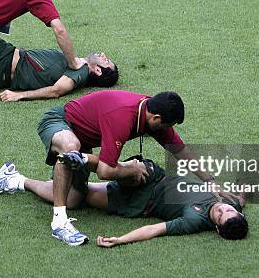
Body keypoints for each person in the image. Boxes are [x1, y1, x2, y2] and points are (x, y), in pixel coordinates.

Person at [34, 90, 237, 246]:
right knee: (70, 149)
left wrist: (210, 181)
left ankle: (14, 179)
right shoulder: (122, 117)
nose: (168, 131)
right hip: (60, 122)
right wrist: (130, 169)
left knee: (73, 199)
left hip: (83, 140)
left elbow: (180, 151)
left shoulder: (152, 113)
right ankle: (59, 223)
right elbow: (105, 171)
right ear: (156, 118)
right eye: (167, 126)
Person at [0, 157, 248, 246]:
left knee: (75, 198)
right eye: (226, 210)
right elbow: (241, 197)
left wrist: (121, 239)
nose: (221, 208)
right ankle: (83, 159)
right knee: (138, 168)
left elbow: (155, 230)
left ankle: (15, 180)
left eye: (220, 215)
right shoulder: (233, 207)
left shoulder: (193, 220)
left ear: (215, 227)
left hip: (138, 201)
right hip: (156, 177)